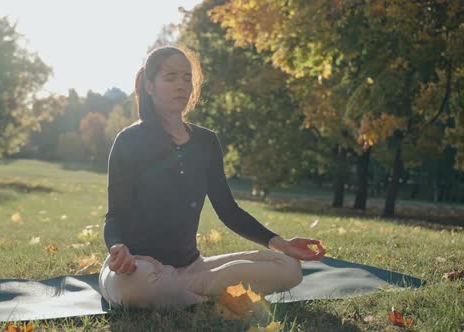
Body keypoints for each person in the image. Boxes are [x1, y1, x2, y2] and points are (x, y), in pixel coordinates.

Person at [98, 46, 325, 310]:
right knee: (134, 288)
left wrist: (282, 243)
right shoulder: (128, 141)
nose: (182, 85)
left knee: (288, 268)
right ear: (149, 86)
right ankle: (201, 293)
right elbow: (115, 215)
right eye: (171, 77)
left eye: (186, 78)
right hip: (139, 268)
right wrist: (118, 248)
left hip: (193, 266)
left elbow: (228, 210)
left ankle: (182, 292)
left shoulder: (206, 141)